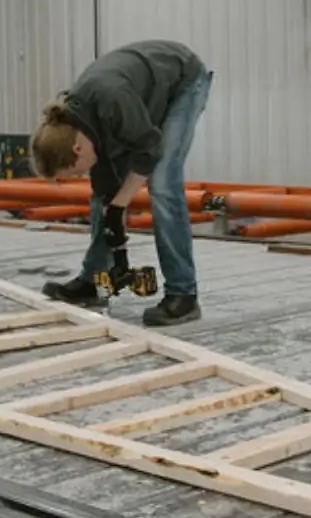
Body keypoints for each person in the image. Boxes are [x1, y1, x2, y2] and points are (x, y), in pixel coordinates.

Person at [28, 40, 212, 327]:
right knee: (103, 200)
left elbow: (150, 149)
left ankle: (183, 294)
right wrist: (115, 226)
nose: (79, 177)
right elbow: (107, 196)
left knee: (163, 183)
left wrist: (120, 205)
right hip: (142, 96)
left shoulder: (111, 101)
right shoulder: (84, 127)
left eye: (74, 173)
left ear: (78, 149)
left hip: (183, 81)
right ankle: (91, 282)